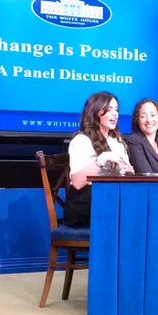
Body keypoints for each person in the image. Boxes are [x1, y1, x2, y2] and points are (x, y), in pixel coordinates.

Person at [65, 91, 132, 227]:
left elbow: (129, 172)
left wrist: (128, 170)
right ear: (95, 112)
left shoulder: (116, 141)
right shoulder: (82, 141)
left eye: (116, 110)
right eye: (109, 110)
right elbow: (77, 182)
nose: (115, 114)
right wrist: (101, 160)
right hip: (87, 206)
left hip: (111, 200)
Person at [125, 98, 158, 174]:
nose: (149, 120)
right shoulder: (133, 141)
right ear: (137, 120)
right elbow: (146, 174)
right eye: (143, 116)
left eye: (153, 115)